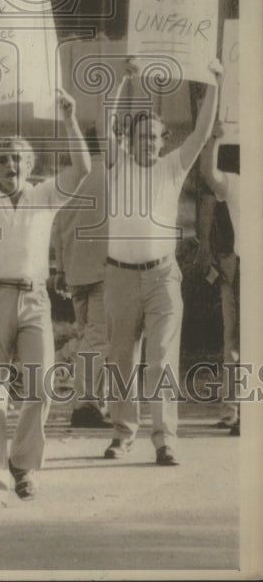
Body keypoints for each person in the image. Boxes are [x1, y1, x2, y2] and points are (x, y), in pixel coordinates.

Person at [0, 91, 91, 511]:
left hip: (34, 301)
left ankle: (22, 464)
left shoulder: (45, 195)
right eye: (1, 159)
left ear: (29, 165)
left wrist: (69, 119)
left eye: (17, 159)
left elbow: (83, 167)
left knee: (41, 388)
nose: (9, 166)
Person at [102, 58, 223, 466]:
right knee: (121, 359)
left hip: (162, 278)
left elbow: (204, 132)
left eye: (153, 138)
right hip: (119, 276)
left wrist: (215, 84)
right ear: (129, 141)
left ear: (163, 140)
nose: (146, 144)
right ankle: (123, 434)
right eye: (139, 137)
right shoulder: (117, 166)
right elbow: (106, 123)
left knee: (162, 359)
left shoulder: (173, 167)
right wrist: (123, 81)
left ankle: (164, 438)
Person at [49, 129, 111, 429]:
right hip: (105, 270)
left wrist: (60, 269)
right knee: (97, 341)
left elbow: (58, 229)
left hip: (75, 271)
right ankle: (85, 403)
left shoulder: (66, 180)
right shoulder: (112, 177)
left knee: (89, 336)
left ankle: (95, 401)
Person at [200, 120, 240, 435]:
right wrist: (213, 139)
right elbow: (209, 177)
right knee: (234, 342)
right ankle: (233, 410)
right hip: (239, 267)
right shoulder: (236, 183)